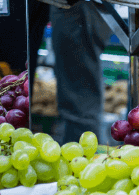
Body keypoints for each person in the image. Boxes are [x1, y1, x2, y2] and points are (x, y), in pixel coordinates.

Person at [47, 1, 112, 143]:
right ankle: (80, 150)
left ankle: (81, 155)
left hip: (78, 5)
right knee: (77, 87)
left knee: (79, 92)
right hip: (76, 7)